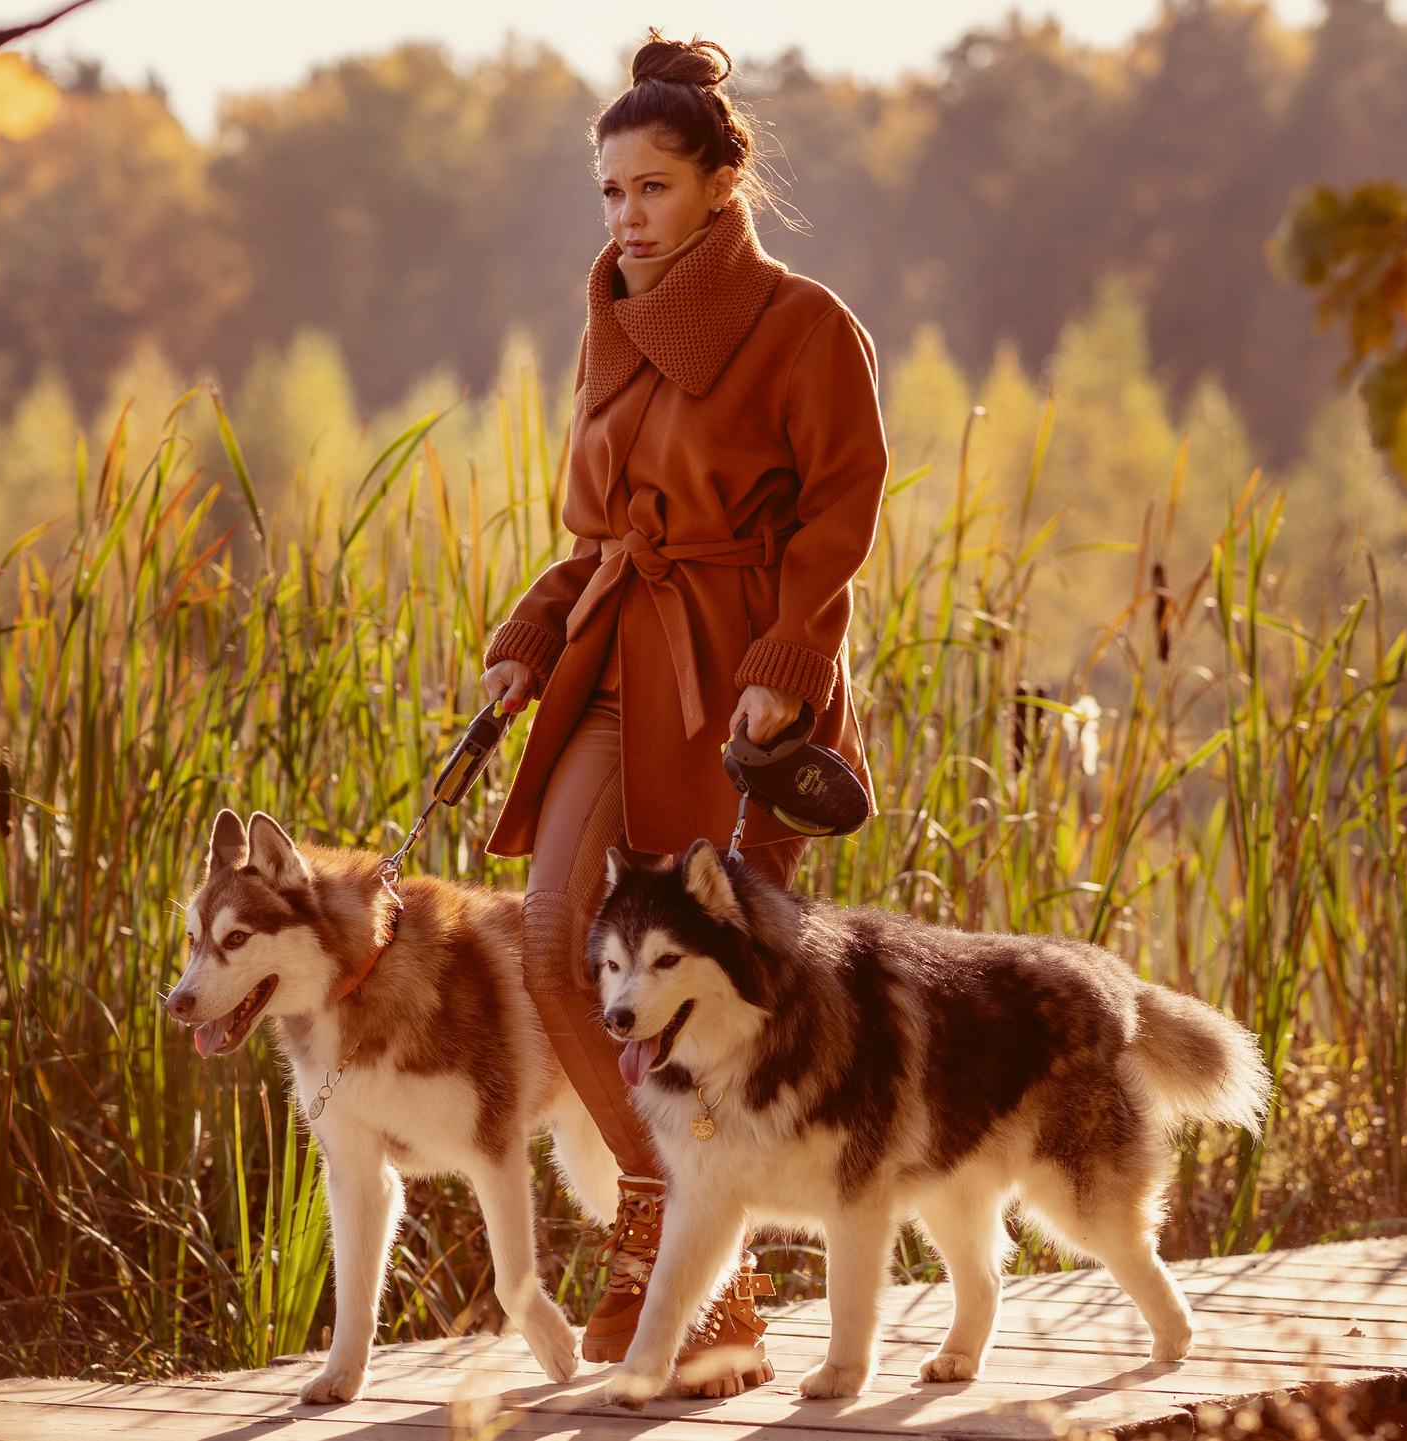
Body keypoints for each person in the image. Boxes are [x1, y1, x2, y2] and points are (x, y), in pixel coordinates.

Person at [477, 30, 888, 1398]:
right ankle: (677, 1229)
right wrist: (532, 636)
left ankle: (704, 1285)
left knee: (722, 988)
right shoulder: (607, 318)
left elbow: (839, 517)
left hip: (737, 684)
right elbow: (601, 529)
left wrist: (786, 656)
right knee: (551, 938)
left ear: (723, 182)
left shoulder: (805, 326)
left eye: (652, 187)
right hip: (614, 650)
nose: (627, 216)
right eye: (610, 192)